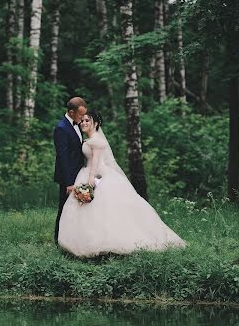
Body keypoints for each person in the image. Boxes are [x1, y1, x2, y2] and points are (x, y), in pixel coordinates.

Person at [58, 110, 186, 257]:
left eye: (88, 121)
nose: (84, 123)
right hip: (87, 172)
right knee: (86, 211)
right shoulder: (87, 140)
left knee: (103, 210)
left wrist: (91, 181)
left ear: (96, 123)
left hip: (97, 175)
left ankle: (107, 244)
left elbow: (96, 163)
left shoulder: (97, 141)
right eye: (83, 120)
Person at [53, 97, 87, 244]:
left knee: (76, 209)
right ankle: (58, 239)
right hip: (68, 178)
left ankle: (73, 238)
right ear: (72, 113)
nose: (83, 118)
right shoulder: (61, 128)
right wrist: (68, 183)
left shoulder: (77, 125)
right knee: (64, 209)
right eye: (80, 115)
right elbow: (63, 157)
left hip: (79, 174)